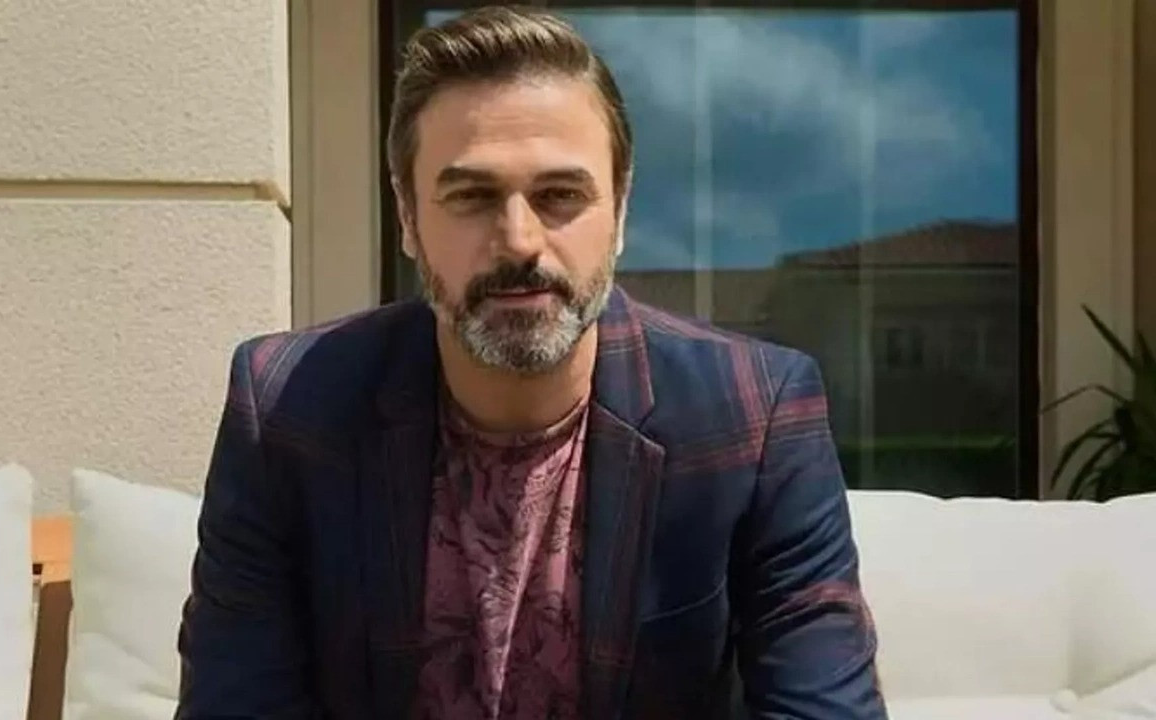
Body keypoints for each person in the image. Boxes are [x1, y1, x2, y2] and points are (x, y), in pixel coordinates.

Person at [175, 5, 886, 719]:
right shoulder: (287, 410)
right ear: (408, 218)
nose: (519, 241)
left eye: (559, 196)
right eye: (471, 196)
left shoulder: (754, 416)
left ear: (621, 211)